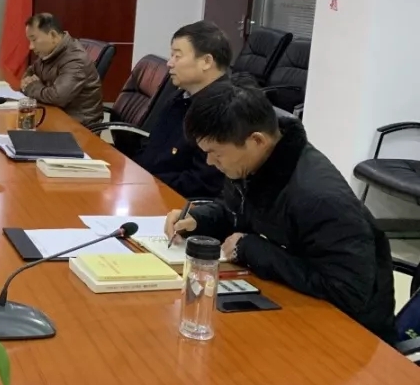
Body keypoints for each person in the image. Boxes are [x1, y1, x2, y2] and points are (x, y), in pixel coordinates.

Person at [165, 82, 396, 343]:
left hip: (347, 335)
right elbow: (238, 212)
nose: (209, 162)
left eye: (215, 153)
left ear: (256, 141)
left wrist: (251, 248)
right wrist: (199, 220)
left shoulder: (319, 198)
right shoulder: (254, 162)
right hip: (291, 304)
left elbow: (347, 291)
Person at [135, 21, 230, 199]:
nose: (169, 63)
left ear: (206, 62)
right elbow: (151, 149)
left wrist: (147, 184)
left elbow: (201, 184)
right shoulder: (180, 97)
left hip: (174, 202)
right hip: (148, 188)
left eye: (177, 56)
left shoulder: (222, 110)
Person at [20, 13, 104, 126]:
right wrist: (31, 82)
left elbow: (57, 97)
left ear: (53, 35)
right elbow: (31, 71)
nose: (31, 47)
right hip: (56, 115)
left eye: (34, 40)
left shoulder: (75, 60)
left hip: (78, 126)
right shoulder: (50, 52)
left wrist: (31, 86)